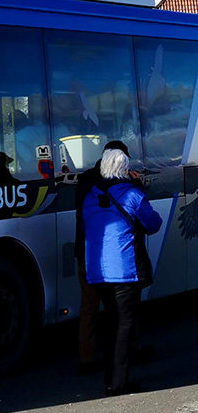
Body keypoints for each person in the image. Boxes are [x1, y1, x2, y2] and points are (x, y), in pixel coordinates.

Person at [82, 147, 162, 396]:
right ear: (125, 169)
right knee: (124, 324)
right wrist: (139, 188)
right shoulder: (131, 194)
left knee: (110, 321)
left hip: (97, 269)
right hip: (125, 270)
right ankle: (117, 383)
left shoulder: (90, 196)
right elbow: (153, 224)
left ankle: (112, 376)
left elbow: (87, 226)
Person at [74, 140, 130, 374]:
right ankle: (120, 355)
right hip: (111, 257)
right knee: (119, 307)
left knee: (88, 305)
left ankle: (86, 357)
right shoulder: (119, 184)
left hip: (84, 251)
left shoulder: (85, 181)